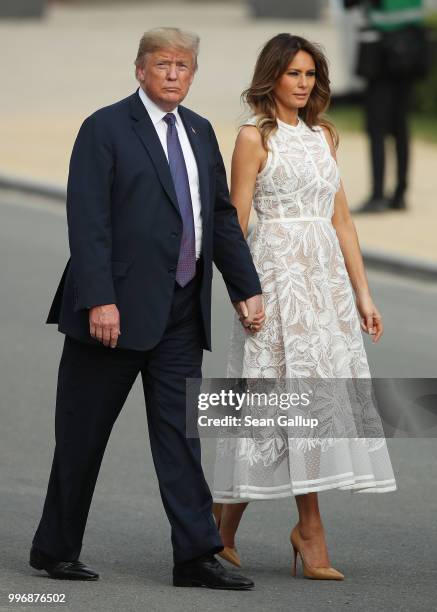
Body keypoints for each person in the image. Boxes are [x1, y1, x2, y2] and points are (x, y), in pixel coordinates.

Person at [29, 27, 265, 590]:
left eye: (184, 66)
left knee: (181, 438)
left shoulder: (202, 133)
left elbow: (221, 219)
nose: (173, 75)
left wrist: (245, 286)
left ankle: (196, 556)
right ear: (140, 70)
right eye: (163, 64)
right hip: (110, 316)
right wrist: (100, 299)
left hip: (182, 312)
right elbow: (87, 223)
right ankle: (55, 549)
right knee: (82, 436)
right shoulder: (104, 128)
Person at [212, 33, 397, 580]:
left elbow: (341, 220)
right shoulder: (253, 136)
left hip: (325, 289)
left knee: (311, 404)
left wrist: (363, 293)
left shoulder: (323, 137)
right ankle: (269, 531)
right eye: (294, 73)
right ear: (272, 76)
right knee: (267, 405)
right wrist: (242, 291)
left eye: (311, 75)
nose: (303, 84)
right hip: (274, 281)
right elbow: (236, 220)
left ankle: (264, 531)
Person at [351, 0, 428, 213]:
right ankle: (400, 194)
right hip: (411, 48)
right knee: (400, 124)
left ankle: (377, 196)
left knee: (377, 127)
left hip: (381, 53)